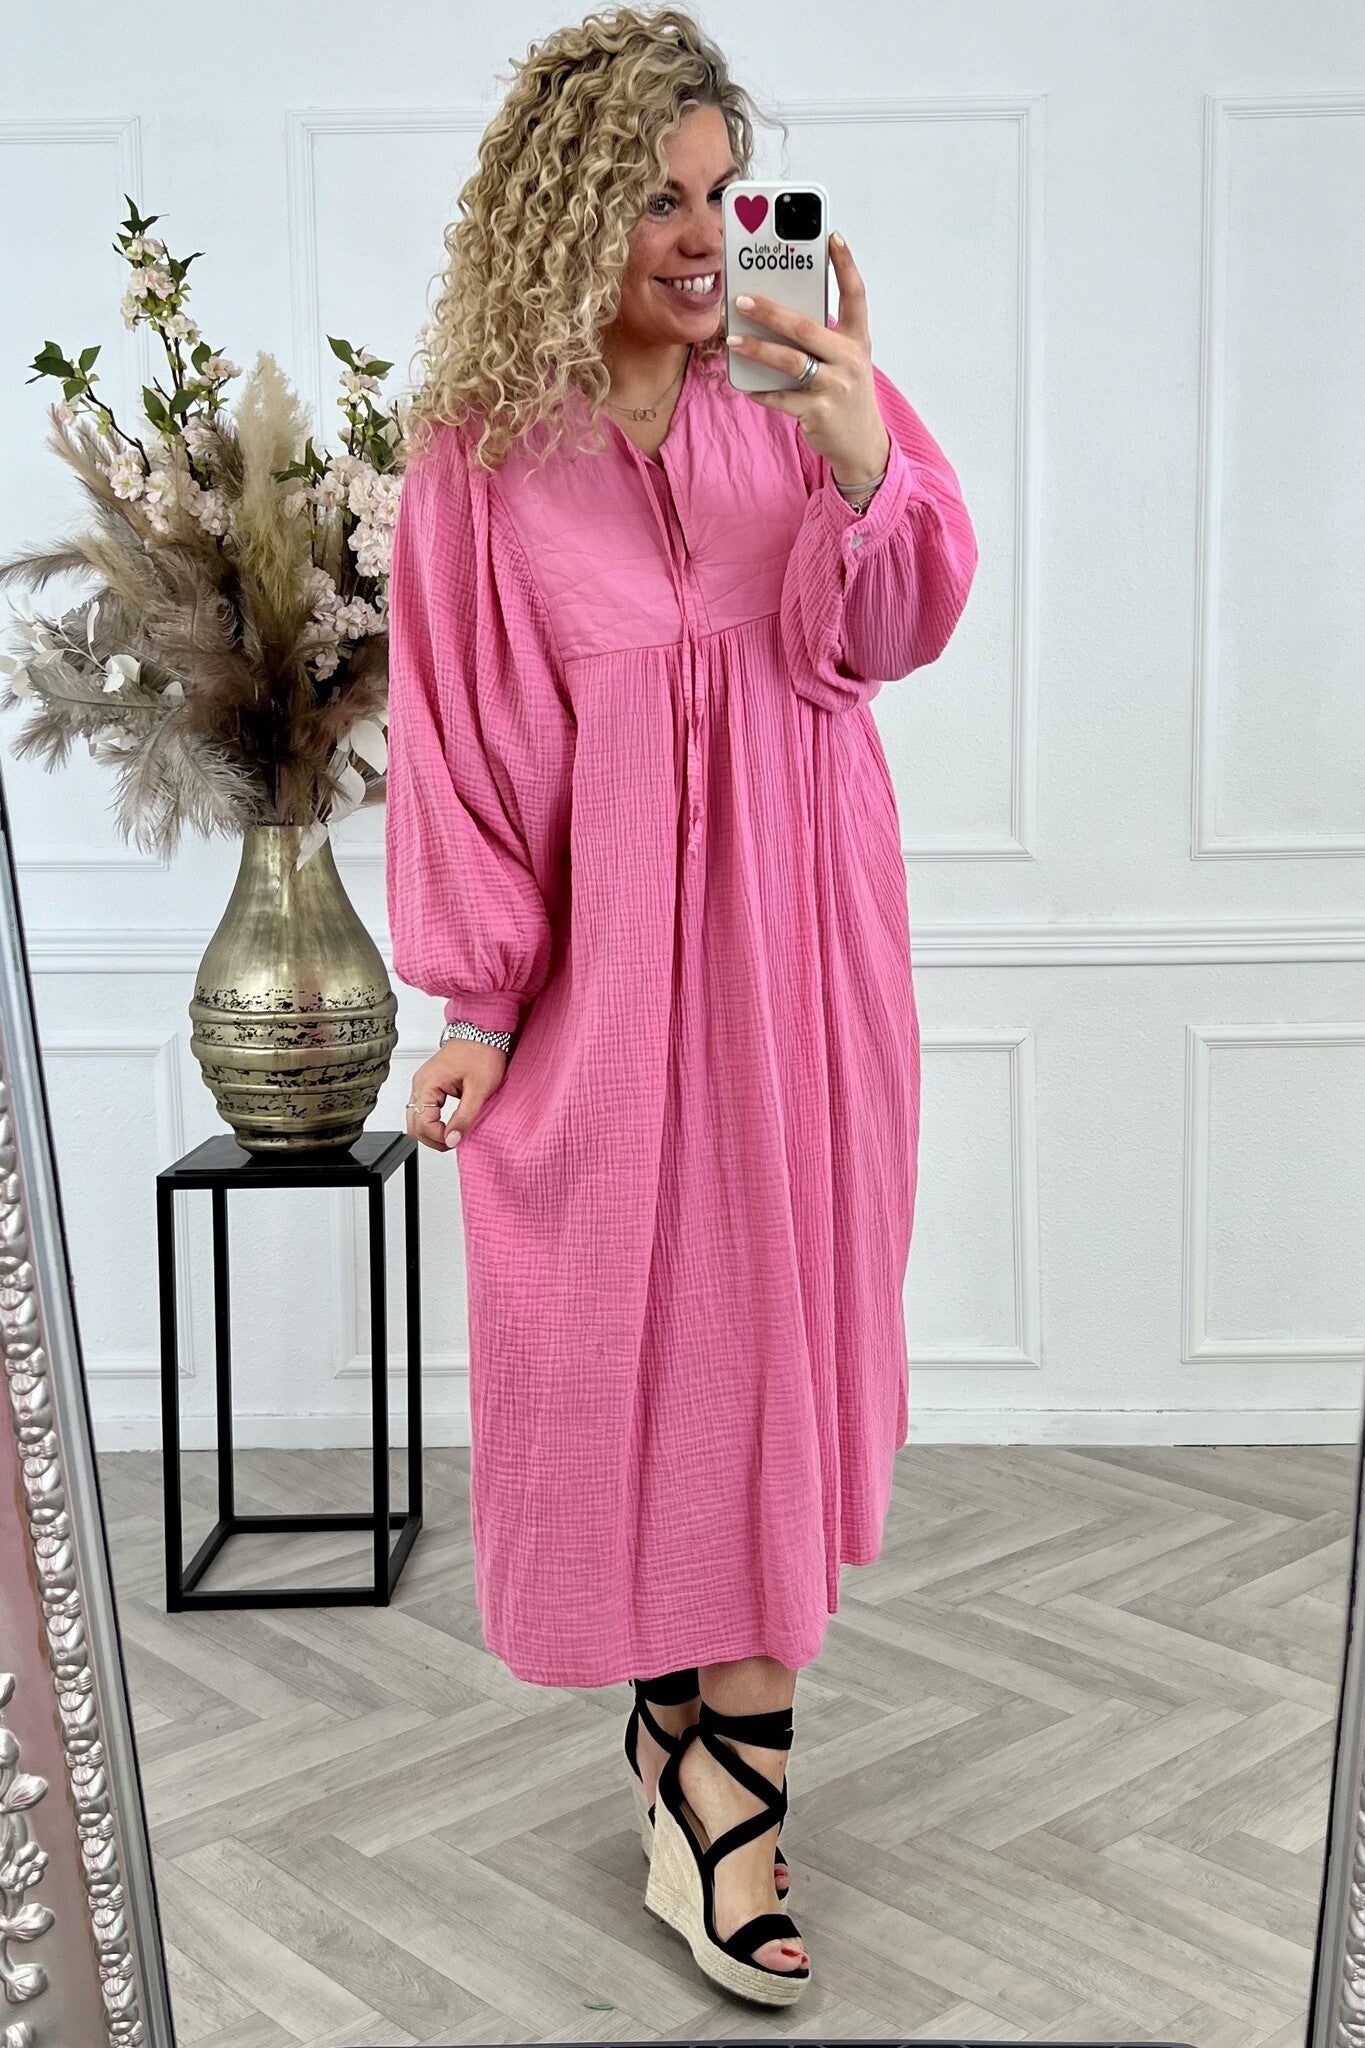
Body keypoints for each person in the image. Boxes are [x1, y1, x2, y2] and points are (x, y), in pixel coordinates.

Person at [383, 3, 978, 2007]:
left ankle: (732, 1799)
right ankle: (671, 1725)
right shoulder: (482, 462)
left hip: (806, 953)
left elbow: (893, 624)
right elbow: (466, 743)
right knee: (635, 1349)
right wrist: (476, 1003)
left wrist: (860, 449)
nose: (706, 234)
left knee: (769, 1343)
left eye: (726, 192)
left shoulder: (799, 394)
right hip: (617, 977)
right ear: (564, 214)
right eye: (655, 197)